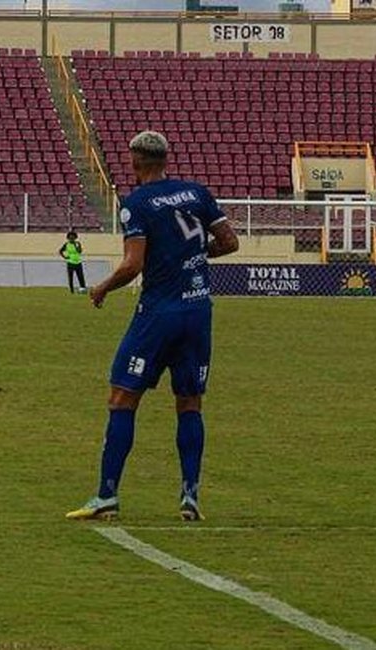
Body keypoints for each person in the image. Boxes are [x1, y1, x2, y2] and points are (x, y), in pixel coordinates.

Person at [66, 131, 239, 522]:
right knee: (190, 403)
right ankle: (190, 496)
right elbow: (229, 242)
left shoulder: (137, 204)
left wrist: (102, 288)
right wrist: (192, 257)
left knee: (122, 397)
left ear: (135, 161)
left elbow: (133, 265)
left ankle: (106, 495)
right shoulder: (197, 192)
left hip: (159, 313)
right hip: (198, 312)